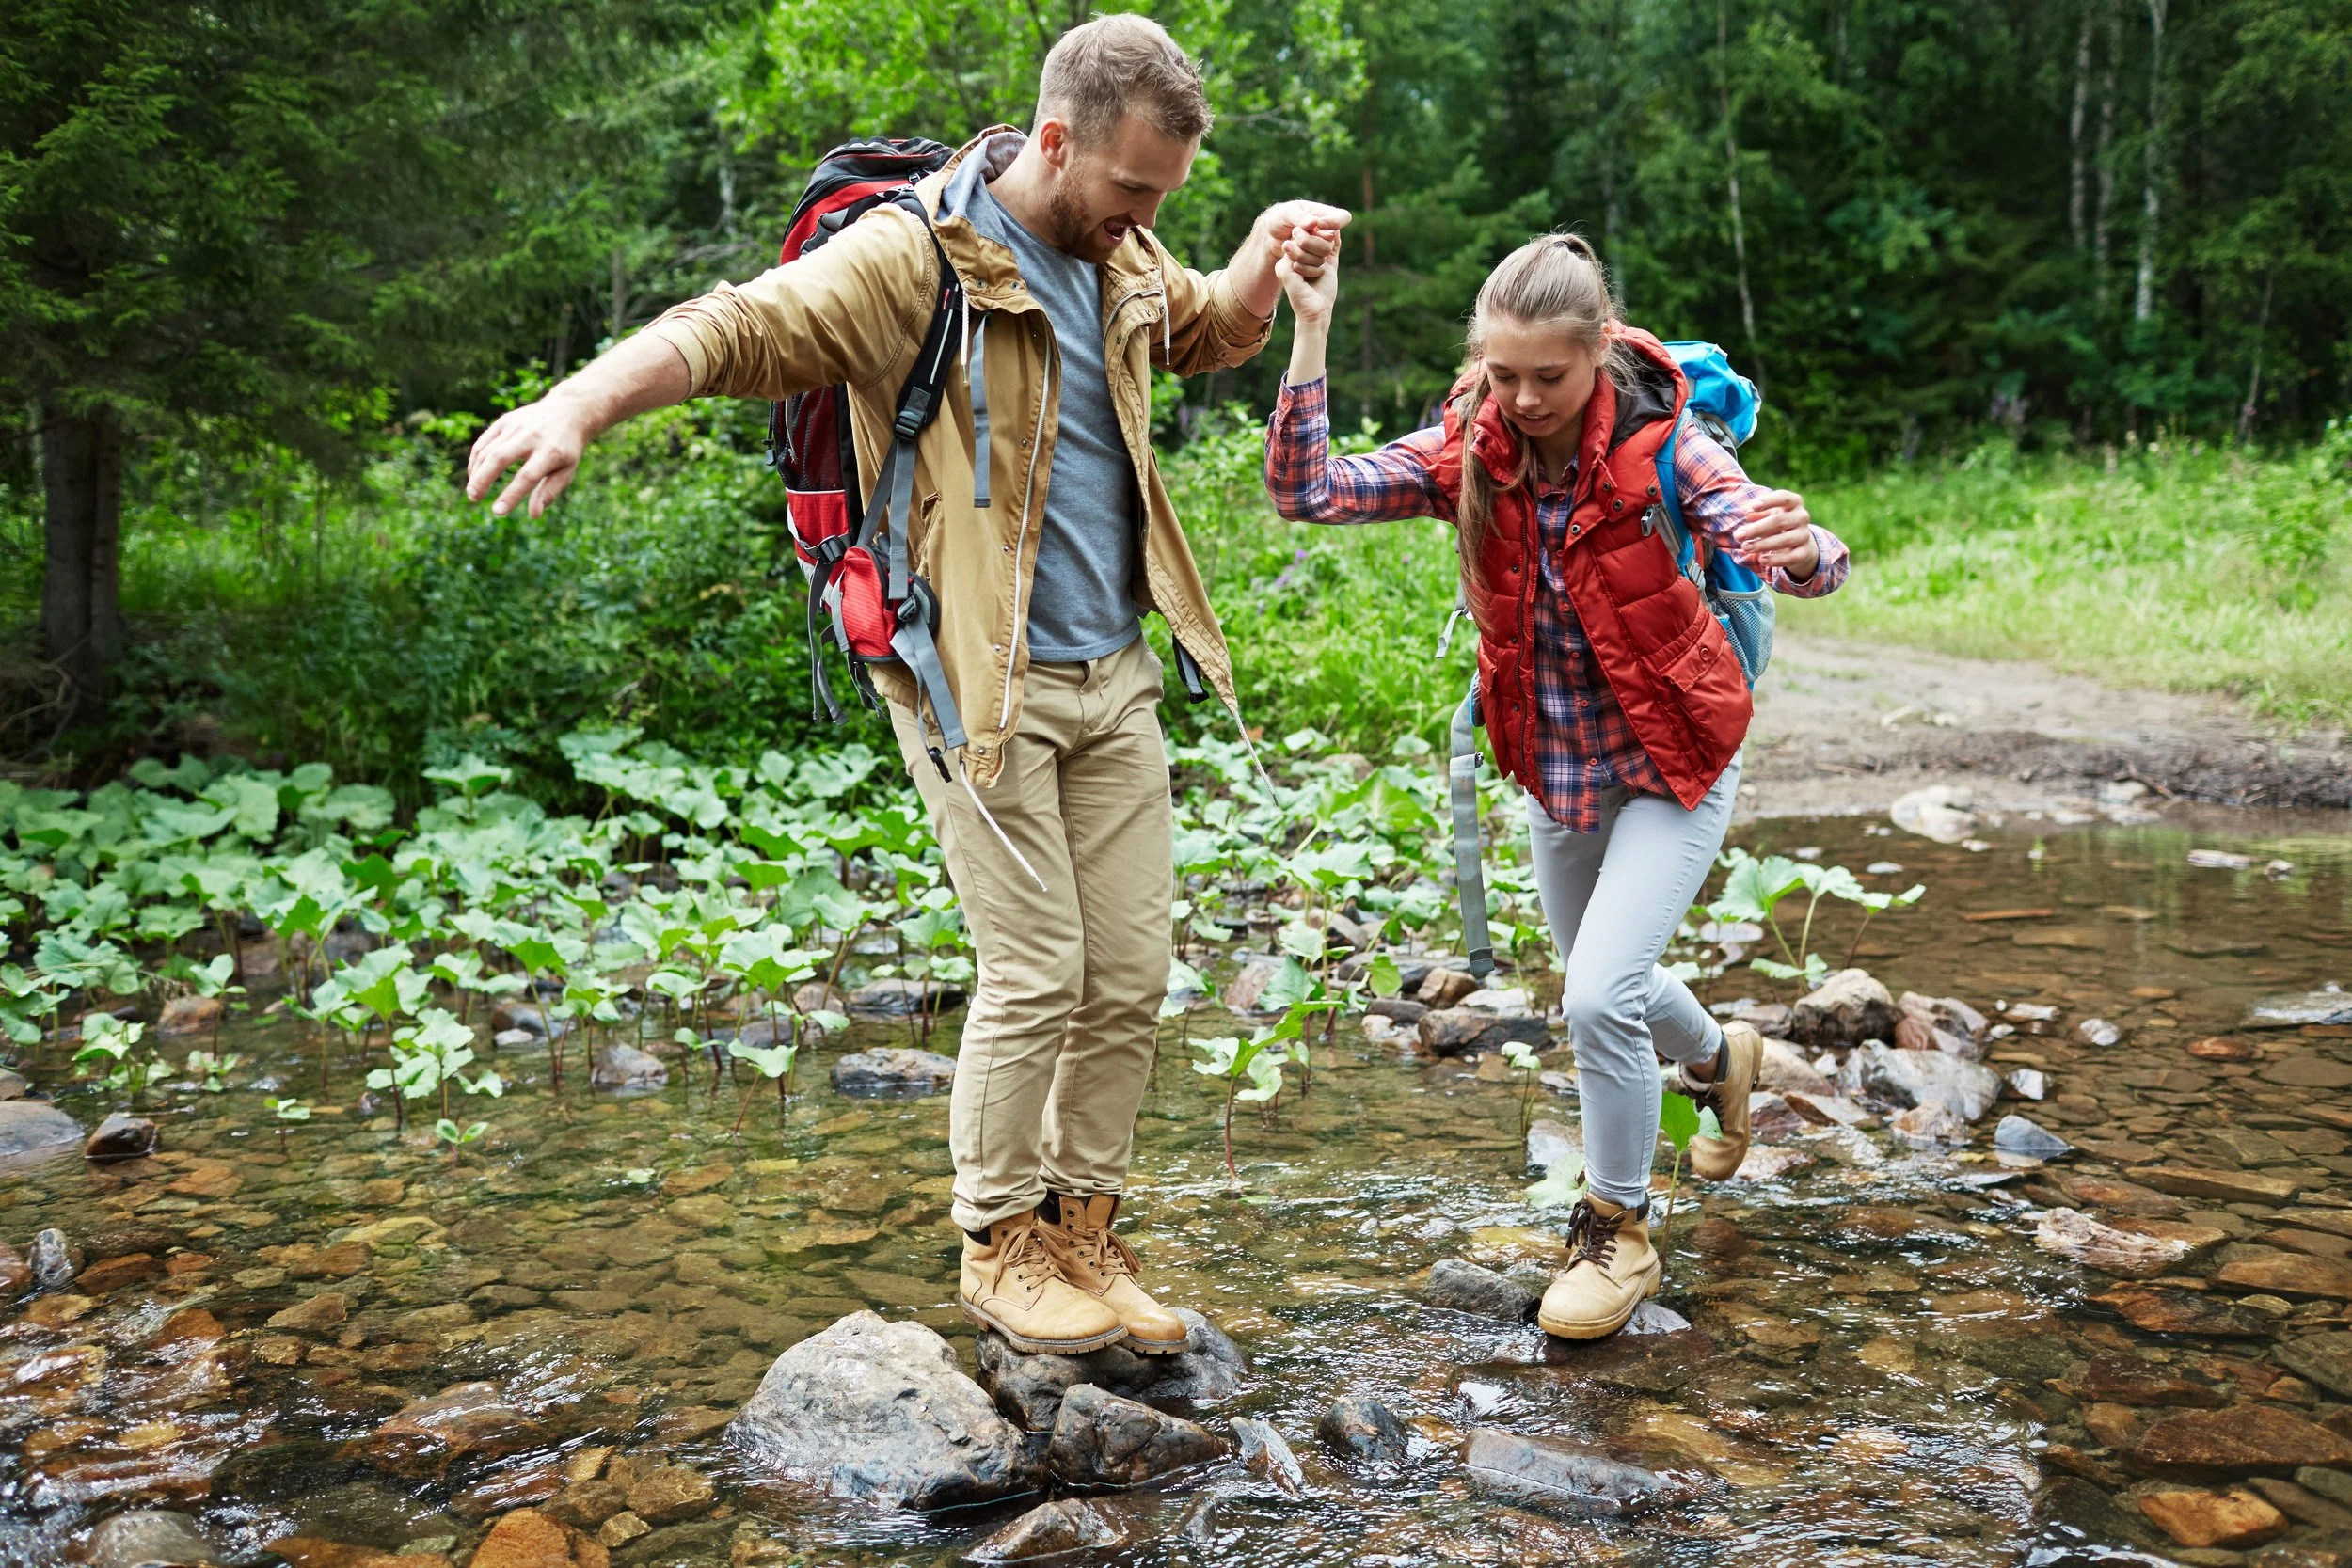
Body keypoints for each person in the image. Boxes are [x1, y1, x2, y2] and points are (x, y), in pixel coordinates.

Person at [467, 16, 1348, 1356]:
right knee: (1039, 964)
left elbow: (1198, 334)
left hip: (1112, 671)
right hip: (969, 676)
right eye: (1134, 191)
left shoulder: (1122, 251)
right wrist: (584, 401)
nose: (1146, 219)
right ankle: (1001, 1244)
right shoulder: (910, 259)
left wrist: (1257, 261)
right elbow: (736, 330)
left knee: (1129, 972)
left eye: (1167, 198)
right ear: (1057, 142)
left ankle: (1084, 1229)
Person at [1266, 232, 1850, 1338]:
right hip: (1556, 765)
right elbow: (1310, 492)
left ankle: (1616, 1228)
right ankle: (1722, 1059)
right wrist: (1309, 328)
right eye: (1503, 374)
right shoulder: (1468, 444)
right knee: (1603, 980)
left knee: (1592, 996)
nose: (1524, 398)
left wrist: (1805, 540)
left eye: (1550, 376)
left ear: (1597, 355)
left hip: (1676, 761)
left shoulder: (1664, 445)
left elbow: (1779, 547)